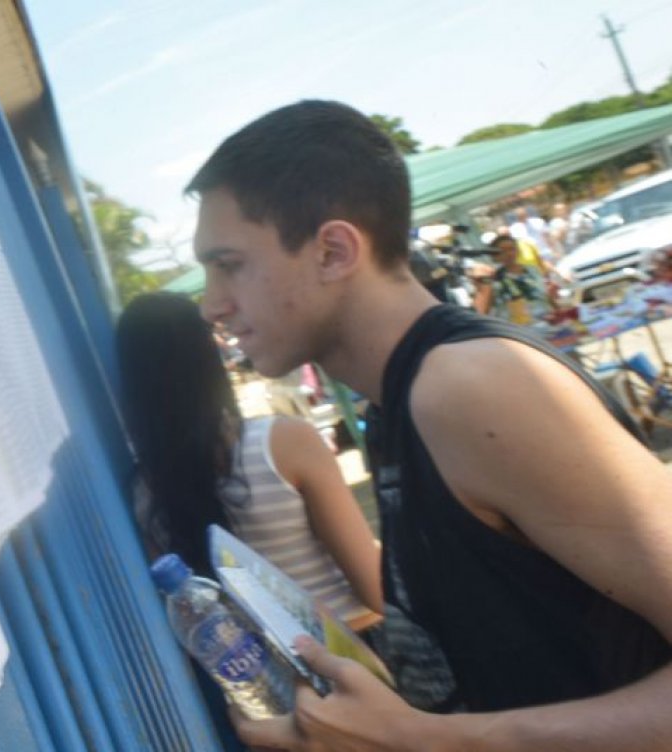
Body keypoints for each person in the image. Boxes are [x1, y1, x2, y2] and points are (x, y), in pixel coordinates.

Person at [187, 99, 672, 750]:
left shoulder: (471, 388)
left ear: (332, 250)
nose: (213, 304)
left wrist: (426, 741)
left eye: (230, 265)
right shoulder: (401, 403)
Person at [116, 293, 383, 635]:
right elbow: (374, 590)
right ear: (208, 355)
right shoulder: (284, 442)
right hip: (357, 651)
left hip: (270, 679)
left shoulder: (144, 491)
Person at [472, 233, 558, 326]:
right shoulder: (492, 278)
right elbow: (481, 311)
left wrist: (556, 307)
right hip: (518, 332)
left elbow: (547, 297)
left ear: (518, 251)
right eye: (503, 251)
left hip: (548, 324)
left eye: (511, 249)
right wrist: (482, 285)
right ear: (494, 255)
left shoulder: (532, 270)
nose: (509, 254)